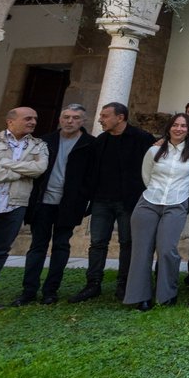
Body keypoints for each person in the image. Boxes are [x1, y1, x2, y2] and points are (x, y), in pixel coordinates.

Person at [70, 102, 155, 303]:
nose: (100, 119)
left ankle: (124, 285)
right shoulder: (100, 141)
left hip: (129, 201)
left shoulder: (141, 138)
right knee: (97, 243)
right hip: (101, 201)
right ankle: (93, 284)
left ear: (120, 117)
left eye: (105, 115)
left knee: (128, 243)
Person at [15, 103, 93, 306]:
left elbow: (92, 177)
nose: (70, 121)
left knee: (60, 246)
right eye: (66, 117)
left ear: (83, 121)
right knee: (37, 246)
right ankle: (28, 290)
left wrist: (84, 199)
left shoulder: (89, 144)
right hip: (43, 202)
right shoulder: (45, 141)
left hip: (68, 204)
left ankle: (51, 290)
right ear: (60, 118)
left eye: (76, 118)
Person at [124, 113, 189, 310]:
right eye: (175, 125)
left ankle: (167, 293)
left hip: (177, 203)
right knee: (141, 251)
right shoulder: (154, 151)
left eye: (183, 126)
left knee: (167, 249)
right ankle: (140, 296)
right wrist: (156, 192)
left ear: (188, 130)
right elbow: (146, 176)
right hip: (149, 202)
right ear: (169, 128)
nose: (179, 129)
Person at [0, 107, 46, 309]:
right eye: (28, 118)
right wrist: (17, 173)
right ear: (10, 121)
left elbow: (38, 169)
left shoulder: (38, 145)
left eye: (35, 119)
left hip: (14, 204)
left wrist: (3, 163)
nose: (33, 122)